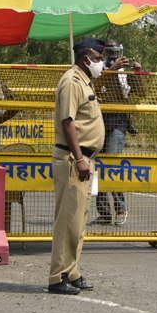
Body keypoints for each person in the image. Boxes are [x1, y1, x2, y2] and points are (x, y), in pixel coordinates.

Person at [48, 37, 107, 295]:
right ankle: (57, 276)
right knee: (67, 220)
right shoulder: (71, 82)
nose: (101, 62)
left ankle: (72, 271)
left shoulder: (85, 81)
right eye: (98, 57)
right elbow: (67, 122)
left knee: (79, 220)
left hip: (84, 159)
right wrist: (80, 158)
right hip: (74, 159)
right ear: (86, 57)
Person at [94, 40, 141, 226]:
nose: (113, 54)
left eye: (117, 51)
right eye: (110, 51)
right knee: (97, 167)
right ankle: (104, 212)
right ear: (104, 53)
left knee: (112, 166)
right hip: (98, 123)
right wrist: (111, 69)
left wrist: (138, 73)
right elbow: (94, 87)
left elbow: (141, 92)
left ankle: (121, 208)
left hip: (118, 124)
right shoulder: (98, 70)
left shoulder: (125, 73)